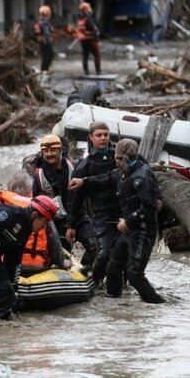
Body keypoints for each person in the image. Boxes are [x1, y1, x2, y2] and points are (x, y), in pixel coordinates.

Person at [100, 139, 164, 303]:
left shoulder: (142, 176)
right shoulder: (125, 170)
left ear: (125, 158)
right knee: (112, 269)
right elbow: (106, 178)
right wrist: (84, 181)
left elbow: (150, 207)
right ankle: (115, 305)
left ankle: (158, 304)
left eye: (118, 159)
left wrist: (128, 222)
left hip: (142, 230)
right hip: (128, 229)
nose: (116, 161)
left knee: (135, 275)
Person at [67, 121, 119, 283]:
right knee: (104, 254)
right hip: (102, 215)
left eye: (106, 135)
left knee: (124, 257)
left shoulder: (120, 157)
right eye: (99, 135)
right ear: (90, 138)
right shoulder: (85, 165)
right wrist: (72, 225)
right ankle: (93, 282)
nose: (103, 138)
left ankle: (118, 288)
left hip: (125, 212)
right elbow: (77, 198)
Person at [32, 134, 97, 262]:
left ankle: (86, 271)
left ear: (60, 150)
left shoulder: (74, 166)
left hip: (78, 216)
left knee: (95, 246)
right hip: (57, 222)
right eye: (46, 151)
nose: (49, 154)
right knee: (63, 257)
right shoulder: (38, 175)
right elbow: (35, 202)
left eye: (53, 150)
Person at [76, 2, 101, 75]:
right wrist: (98, 40)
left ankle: (86, 71)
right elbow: (93, 30)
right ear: (86, 10)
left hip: (83, 41)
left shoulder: (80, 19)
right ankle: (98, 71)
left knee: (85, 56)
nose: (90, 9)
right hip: (91, 40)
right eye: (89, 8)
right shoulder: (88, 19)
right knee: (97, 55)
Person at [34, 6, 54, 74]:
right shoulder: (45, 23)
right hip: (46, 42)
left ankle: (43, 70)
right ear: (47, 13)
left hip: (40, 42)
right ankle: (45, 70)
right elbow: (46, 33)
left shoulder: (39, 22)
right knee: (49, 56)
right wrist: (49, 41)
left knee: (44, 56)